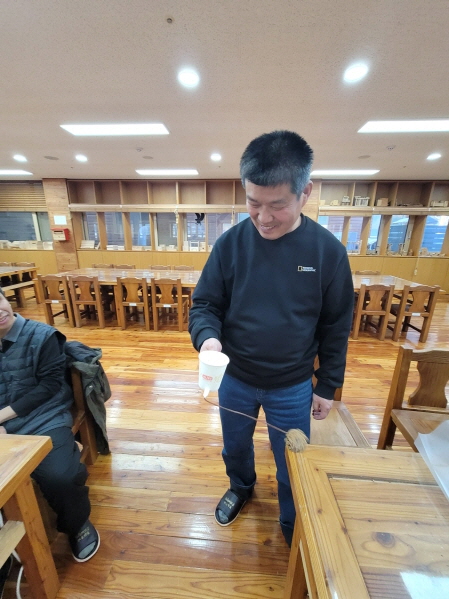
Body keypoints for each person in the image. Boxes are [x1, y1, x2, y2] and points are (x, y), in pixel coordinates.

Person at [188, 130, 354, 546]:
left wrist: (328, 385)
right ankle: (241, 487)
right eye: (253, 203)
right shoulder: (230, 244)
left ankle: (290, 516)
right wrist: (208, 339)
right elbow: (205, 304)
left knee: (292, 459)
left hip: (293, 385)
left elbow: (336, 325)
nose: (263, 217)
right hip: (236, 379)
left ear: (305, 193)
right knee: (234, 446)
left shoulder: (328, 253)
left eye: (277, 205)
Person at [0, 287, 100, 564]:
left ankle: (76, 524)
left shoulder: (42, 336)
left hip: (42, 416)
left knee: (61, 477)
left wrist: (2, 417)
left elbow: (48, 387)